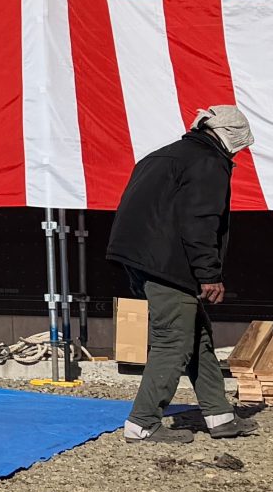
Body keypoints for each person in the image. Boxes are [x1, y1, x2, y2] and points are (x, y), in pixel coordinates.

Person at [106, 104, 257, 443]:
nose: (238, 155)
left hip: (142, 260)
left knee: (197, 335)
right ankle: (142, 423)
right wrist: (209, 273)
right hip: (168, 265)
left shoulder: (161, 156)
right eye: (240, 147)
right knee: (173, 340)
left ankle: (219, 417)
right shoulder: (208, 162)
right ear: (229, 137)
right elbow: (200, 221)